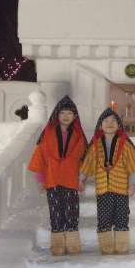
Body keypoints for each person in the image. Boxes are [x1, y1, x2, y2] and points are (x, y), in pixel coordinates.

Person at [28, 96, 87, 256]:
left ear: (75, 116)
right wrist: (41, 180)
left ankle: (73, 243)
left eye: (70, 113)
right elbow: (40, 157)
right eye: (62, 113)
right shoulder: (46, 135)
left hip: (71, 180)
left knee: (72, 212)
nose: (66, 116)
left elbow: (84, 160)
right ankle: (58, 245)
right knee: (56, 212)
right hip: (52, 180)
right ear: (56, 115)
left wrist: (81, 179)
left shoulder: (79, 137)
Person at [80, 108, 135, 255]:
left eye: (113, 121)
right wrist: (80, 180)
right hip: (103, 189)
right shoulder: (95, 145)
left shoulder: (125, 144)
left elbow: (133, 166)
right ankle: (106, 246)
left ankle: (121, 245)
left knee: (122, 218)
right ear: (100, 125)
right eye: (106, 121)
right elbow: (88, 164)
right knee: (104, 218)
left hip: (121, 188)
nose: (110, 123)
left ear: (119, 125)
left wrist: (132, 184)